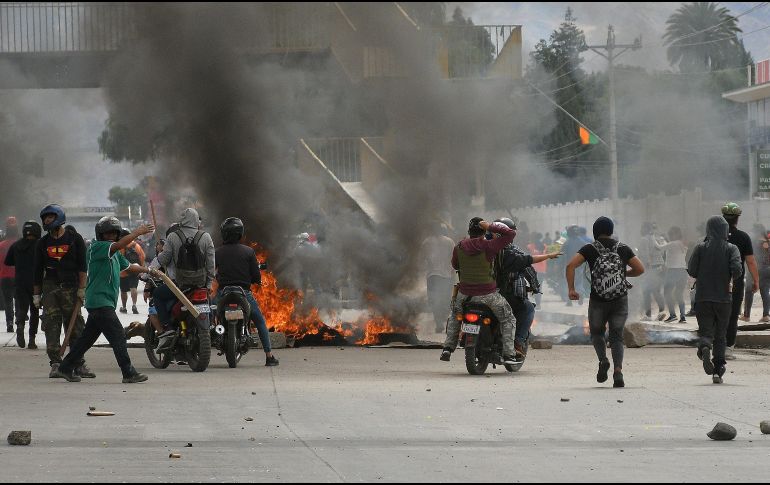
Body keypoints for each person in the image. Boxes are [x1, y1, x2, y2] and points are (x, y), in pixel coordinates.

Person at [50, 217, 157, 383]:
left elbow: (130, 267)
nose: (111, 236)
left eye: (114, 233)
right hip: (100, 302)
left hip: (102, 302)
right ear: (100, 234)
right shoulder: (97, 247)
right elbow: (118, 245)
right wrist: (137, 232)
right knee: (118, 337)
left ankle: (65, 368)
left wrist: (149, 271)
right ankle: (128, 372)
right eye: (107, 233)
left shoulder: (114, 254)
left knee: (86, 339)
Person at [565, 216, 645, 388]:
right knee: (616, 336)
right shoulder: (622, 248)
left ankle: (603, 360)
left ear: (595, 231)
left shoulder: (589, 249)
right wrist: (623, 274)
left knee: (597, 334)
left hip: (598, 300)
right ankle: (618, 371)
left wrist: (571, 289)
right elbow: (640, 269)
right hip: (620, 299)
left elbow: (570, 266)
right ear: (611, 231)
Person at [440, 218, 517, 364]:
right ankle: (509, 355)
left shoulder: (459, 247)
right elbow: (510, 234)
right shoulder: (490, 246)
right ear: (484, 231)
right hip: (488, 295)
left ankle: (447, 348)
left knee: (455, 316)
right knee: (508, 318)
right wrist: (491, 226)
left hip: (464, 295)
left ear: (469, 232)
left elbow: (455, 265)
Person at [33, 204, 92, 378]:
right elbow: (37, 270)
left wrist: (82, 289)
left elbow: (82, 267)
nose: (46, 221)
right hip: (50, 288)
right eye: (44, 218)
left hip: (71, 288)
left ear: (58, 218)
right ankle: (56, 364)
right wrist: (36, 294)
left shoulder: (75, 239)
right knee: (51, 325)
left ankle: (78, 363)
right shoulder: (42, 243)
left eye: (49, 217)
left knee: (75, 327)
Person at [494, 218, 561, 360]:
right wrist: (536, 287)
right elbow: (528, 267)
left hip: (484, 293)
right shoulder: (513, 251)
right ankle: (517, 342)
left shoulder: (484, 249)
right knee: (528, 309)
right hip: (507, 295)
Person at [214, 217, 278, 366]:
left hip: (224, 292)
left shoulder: (218, 252)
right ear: (240, 233)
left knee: (211, 315)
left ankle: (216, 335)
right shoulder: (248, 251)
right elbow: (256, 275)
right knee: (260, 321)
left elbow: (211, 271)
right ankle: (269, 356)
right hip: (243, 293)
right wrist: (257, 280)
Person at [687, 215, 742, 384]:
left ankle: (704, 347)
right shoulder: (732, 248)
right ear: (725, 230)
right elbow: (737, 269)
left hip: (703, 297)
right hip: (724, 298)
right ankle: (718, 370)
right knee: (720, 335)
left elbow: (692, 270)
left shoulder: (700, 248)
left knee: (706, 331)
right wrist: (729, 277)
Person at [154, 208, 215, 336]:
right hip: (200, 284)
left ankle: (167, 326)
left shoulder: (173, 236)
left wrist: (156, 258)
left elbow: (164, 259)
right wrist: (208, 285)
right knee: (211, 305)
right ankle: (213, 326)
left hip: (178, 285)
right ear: (196, 220)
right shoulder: (205, 237)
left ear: (182, 220)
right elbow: (211, 265)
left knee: (157, 294)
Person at [720, 203, 759, 361]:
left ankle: (715, 345)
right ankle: (728, 348)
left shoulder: (712, 236)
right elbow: (750, 261)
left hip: (715, 282)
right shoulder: (743, 237)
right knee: (733, 315)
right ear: (737, 219)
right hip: (735, 282)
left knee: (717, 314)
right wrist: (756, 280)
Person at [4, 221, 42, 348]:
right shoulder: (40, 245)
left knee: (22, 308)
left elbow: (8, 261)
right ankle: (32, 340)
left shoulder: (16, 245)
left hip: (19, 281)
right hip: (36, 283)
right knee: (34, 311)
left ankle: (20, 326)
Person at [419, 222, 456, 333]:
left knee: (434, 299)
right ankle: (443, 318)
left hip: (432, 276)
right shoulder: (449, 242)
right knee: (445, 298)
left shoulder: (426, 242)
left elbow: (422, 259)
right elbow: (454, 258)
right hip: (447, 275)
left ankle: (439, 322)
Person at [655, 226, 689, 323]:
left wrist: (652, 237)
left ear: (676, 234)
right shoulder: (680, 244)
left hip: (673, 271)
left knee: (667, 293)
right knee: (679, 294)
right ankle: (683, 317)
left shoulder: (673, 243)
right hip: (683, 271)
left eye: (672, 233)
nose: (670, 235)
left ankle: (673, 315)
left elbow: (659, 248)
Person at [638, 222, 667, 321]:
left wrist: (644, 268)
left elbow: (645, 256)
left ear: (645, 229)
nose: (641, 230)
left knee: (646, 291)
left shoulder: (644, 239)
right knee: (656, 291)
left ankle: (648, 315)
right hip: (658, 268)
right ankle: (662, 311)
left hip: (649, 269)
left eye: (642, 227)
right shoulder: (655, 238)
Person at [742, 225, 770, 322]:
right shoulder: (767, 241)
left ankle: (746, 316)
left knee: (749, 291)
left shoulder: (753, 241)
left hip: (755, 269)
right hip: (767, 269)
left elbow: (750, 257)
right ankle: (766, 315)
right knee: (765, 291)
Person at [118, 228, 146, 315]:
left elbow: (117, 259)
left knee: (123, 291)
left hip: (123, 272)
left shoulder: (120, 246)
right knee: (133, 287)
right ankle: (134, 305)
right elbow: (142, 257)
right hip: (134, 270)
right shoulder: (136, 246)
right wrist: (141, 268)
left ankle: (124, 307)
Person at [0, 217, 18, 332]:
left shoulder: (1, 245)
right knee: (20, 299)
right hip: (18, 276)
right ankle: (20, 317)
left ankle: (9, 322)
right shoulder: (20, 244)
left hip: (4, 276)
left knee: (8, 301)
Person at [527, 232, 547, 308]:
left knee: (532, 285)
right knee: (539, 286)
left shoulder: (529, 246)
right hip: (542, 269)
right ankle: (538, 304)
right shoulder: (545, 246)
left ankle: (533, 302)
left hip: (532, 269)